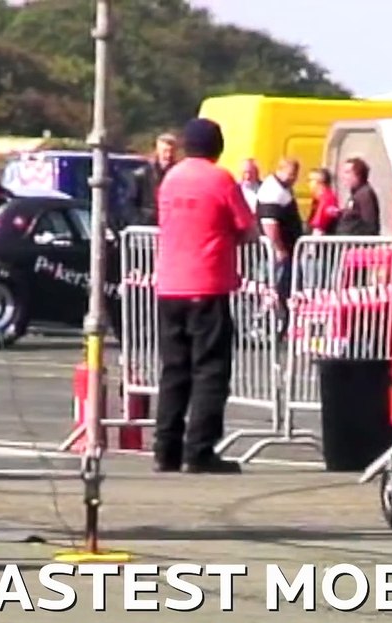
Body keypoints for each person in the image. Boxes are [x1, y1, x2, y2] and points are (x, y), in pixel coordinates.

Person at [152, 118, 257, 474]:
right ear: (217, 147)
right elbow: (247, 228)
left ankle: (165, 449)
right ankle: (199, 450)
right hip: (207, 283)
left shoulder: (171, 178)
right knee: (210, 370)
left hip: (169, 285)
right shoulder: (220, 179)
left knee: (174, 370)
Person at [255, 158, 304, 336]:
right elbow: (269, 223)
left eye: (295, 174)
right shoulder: (272, 190)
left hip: (287, 250)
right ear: (280, 170)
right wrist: (279, 249)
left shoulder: (282, 188)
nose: (293, 178)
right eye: (290, 174)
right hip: (278, 254)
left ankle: (280, 327)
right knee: (275, 290)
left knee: (284, 290)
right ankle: (265, 326)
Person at [129, 132, 179, 226]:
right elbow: (132, 203)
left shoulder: (179, 175)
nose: (168, 155)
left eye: (171, 151)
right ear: (157, 150)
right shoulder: (142, 174)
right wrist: (139, 221)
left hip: (171, 223)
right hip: (147, 224)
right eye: (165, 151)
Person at [335, 157, 380, 236]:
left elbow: (369, 225)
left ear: (359, 174)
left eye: (347, 172)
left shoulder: (365, 195)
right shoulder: (356, 194)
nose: (343, 176)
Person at [305, 167, 340, 236]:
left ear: (320, 182)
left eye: (310, 180)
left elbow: (318, 227)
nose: (308, 183)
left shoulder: (326, 199)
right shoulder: (319, 199)